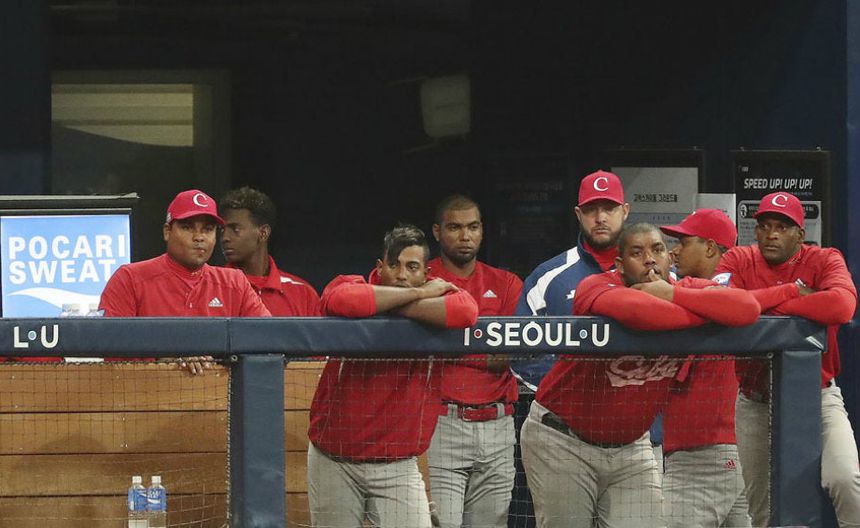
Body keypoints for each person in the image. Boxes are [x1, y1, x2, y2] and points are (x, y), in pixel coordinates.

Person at [520, 223, 760, 528]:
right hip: (563, 439)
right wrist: (705, 313)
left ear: (669, 257)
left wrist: (672, 294)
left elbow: (748, 308)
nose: (649, 259)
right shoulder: (596, 286)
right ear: (620, 265)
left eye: (658, 250)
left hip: (632, 447)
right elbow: (640, 313)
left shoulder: (682, 287)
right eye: (637, 253)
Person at [307, 224, 479, 528]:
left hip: (397, 466)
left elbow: (465, 311)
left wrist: (396, 304)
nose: (401, 274)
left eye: (411, 267)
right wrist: (418, 295)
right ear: (379, 266)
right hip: (335, 459)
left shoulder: (443, 291)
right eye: (393, 265)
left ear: (426, 272)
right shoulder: (351, 284)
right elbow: (343, 300)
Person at [713, 192, 859, 527]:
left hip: (818, 397)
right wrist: (792, 293)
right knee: (762, 511)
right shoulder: (738, 259)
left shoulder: (824, 259)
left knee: (846, 479)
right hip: (755, 401)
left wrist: (756, 306)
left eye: (782, 227)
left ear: (799, 234)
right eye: (764, 226)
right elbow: (719, 306)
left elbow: (841, 306)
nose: (771, 234)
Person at [426, 195, 523, 528]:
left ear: (482, 231)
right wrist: (483, 351)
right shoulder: (422, 280)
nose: (465, 236)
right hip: (441, 423)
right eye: (455, 227)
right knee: (442, 523)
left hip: (498, 423)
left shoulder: (506, 283)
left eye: (473, 227)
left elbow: (507, 356)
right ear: (437, 232)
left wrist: (450, 348)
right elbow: (424, 356)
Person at [99, 189, 271, 374]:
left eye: (208, 229)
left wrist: (218, 360)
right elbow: (111, 351)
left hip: (219, 390)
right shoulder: (129, 278)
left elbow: (269, 340)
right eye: (188, 227)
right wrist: (166, 357)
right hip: (147, 389)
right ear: (167, 231)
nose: (199, 237)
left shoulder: (234, 282)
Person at [659, 209, 752, 528]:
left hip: (704, 453)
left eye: (684, 242)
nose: (674, 250)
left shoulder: (724, 295)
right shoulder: (695, 295)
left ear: (710, 248)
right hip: (725, 452)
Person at [513, 170, 629, 389]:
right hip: (568, 407)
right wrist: (569, 389)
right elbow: (520, 353)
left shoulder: (656, 274)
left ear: (625, 211)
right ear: (578, 214)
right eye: (591, 209)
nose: (600, 218)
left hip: (638, 407)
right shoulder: (547, 276)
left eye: (609, 208)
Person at [219, 186, 320, 316]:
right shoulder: (212, 289)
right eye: (222, 230)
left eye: (235, 229)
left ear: (263, 233)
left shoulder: (303, 293)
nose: (225, 238)